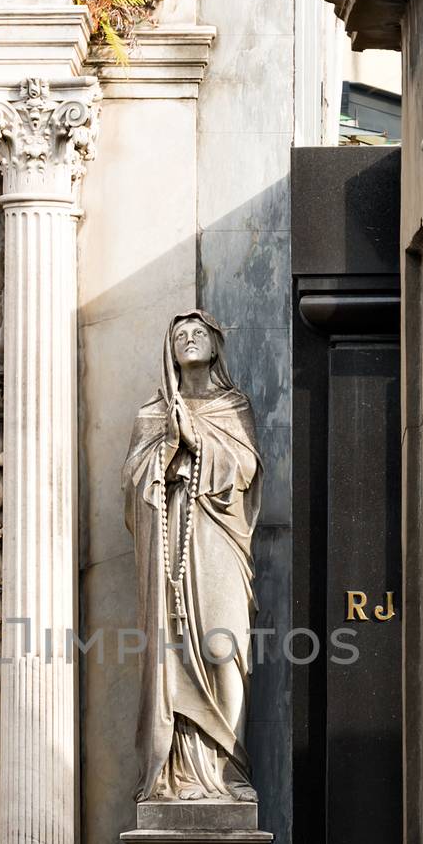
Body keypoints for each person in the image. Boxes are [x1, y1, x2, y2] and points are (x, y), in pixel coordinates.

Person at [122, 311, 262, 802]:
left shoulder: (232, 406)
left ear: (215, 345)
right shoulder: (154, 412)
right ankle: (178, 774)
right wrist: (168, 447)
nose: (189, 339)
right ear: (170, 349)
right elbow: (133, 484)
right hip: (171, 537)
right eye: (180, 334)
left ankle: (227, 771)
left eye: (198, 333)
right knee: (173, 651)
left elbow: (246, 470)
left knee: (225, 647)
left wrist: (197, 440)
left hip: (220, 536)